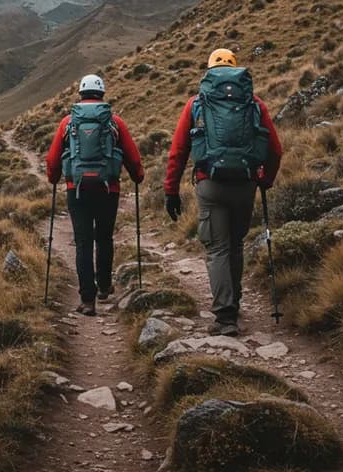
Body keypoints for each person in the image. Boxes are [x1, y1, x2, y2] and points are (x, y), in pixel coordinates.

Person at [163, 49, 283, 336]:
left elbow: (178, 151)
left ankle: (225, 316)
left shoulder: (196, 104)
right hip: (245, 183)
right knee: (236, 244)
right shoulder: (254, 103)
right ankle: (235, 301)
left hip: (210, 184)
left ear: (208, 72)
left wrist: (171, 191)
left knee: (217, 248)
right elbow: (275, 149)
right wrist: (264, 180)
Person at [46, 74, 144, 316]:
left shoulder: (67, 122)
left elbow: (52, 159)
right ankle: (104, 287)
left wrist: (54, 178)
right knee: (104, 238)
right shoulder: (115, 122)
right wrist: (137, 176)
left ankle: (87, 300)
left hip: (76, 188)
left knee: (82, 242)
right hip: (107, 189)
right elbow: (133, 157)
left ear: (80, 93)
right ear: (102, 94)